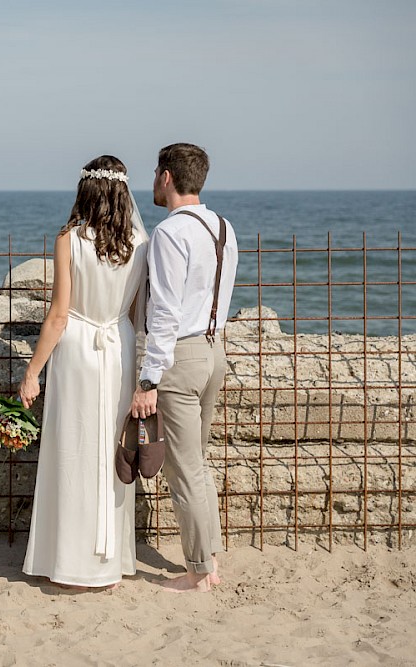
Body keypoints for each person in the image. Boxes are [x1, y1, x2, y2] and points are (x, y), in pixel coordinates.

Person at [19, 155, 149, 589]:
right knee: (112, 450)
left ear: (85, 191)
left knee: (73, 450)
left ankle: (72, 562)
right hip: (118, 347)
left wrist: (32, 372)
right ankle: (111, 562)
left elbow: (58, 315)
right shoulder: (139, 243)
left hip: (77, 350)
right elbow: (137, 311)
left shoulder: (70, 240)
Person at [130, 143, 238, 593]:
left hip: (180, 356)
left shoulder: (170, 233)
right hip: (215, 351)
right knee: (198, 464)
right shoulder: (224, 227)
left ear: (168, 177)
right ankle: (209, 558)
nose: (153, 180)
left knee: (184, 469)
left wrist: (149, 378)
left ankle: (198, 573)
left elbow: (166, 313)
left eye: (156, 172)